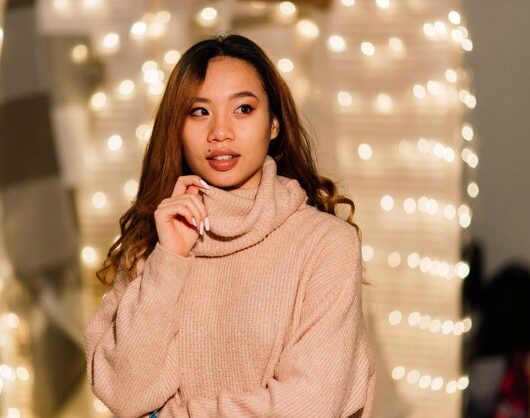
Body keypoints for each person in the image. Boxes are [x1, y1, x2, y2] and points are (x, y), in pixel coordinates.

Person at [84, 34, 376, 418]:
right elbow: (125, 394)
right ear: (176, 127)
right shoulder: (153, 245)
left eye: (243, 108)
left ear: (274, 124)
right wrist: (170, 258)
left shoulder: (325, 244)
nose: (220, 131)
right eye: (199, 112)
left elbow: (309, 404)